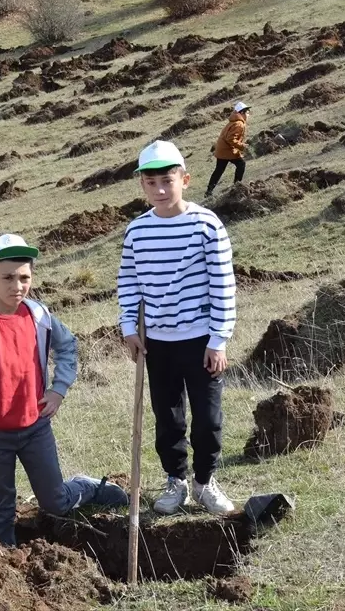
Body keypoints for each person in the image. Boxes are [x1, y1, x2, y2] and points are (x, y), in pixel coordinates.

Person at [0, 233, 129, 546]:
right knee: (0, 508)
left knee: (55, 501)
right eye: (7, 277)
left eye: (24, 278)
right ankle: (4, 565)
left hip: (35, 428)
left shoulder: (39, 316)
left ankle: (88, 487)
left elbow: (68, 346)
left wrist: (59, 388)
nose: (16, 286)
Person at [118, 140, 237, 516]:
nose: (160, 190)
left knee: (207, 418)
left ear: (185, 179)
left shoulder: (206, 224)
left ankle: (205, 482)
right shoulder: (137, 231)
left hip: (201, 340)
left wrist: (218, 339)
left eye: (168, 181)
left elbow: (223, 283)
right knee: (167, 416)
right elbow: (129, 282)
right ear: (142, 186)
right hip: (158, 343)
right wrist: (129, 327)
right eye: (151, 183)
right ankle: (176, 480)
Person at [206, 101, 250, 197]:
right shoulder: (239, 124)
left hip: (221, 150)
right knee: (241, 164)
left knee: (219, 170)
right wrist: (242, 146)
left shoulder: (233, 121)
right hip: (227, 150)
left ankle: (208, 191)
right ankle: (237, 186)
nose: (248, 114)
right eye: (247, 112)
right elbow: (230, 139)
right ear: (242, 113)